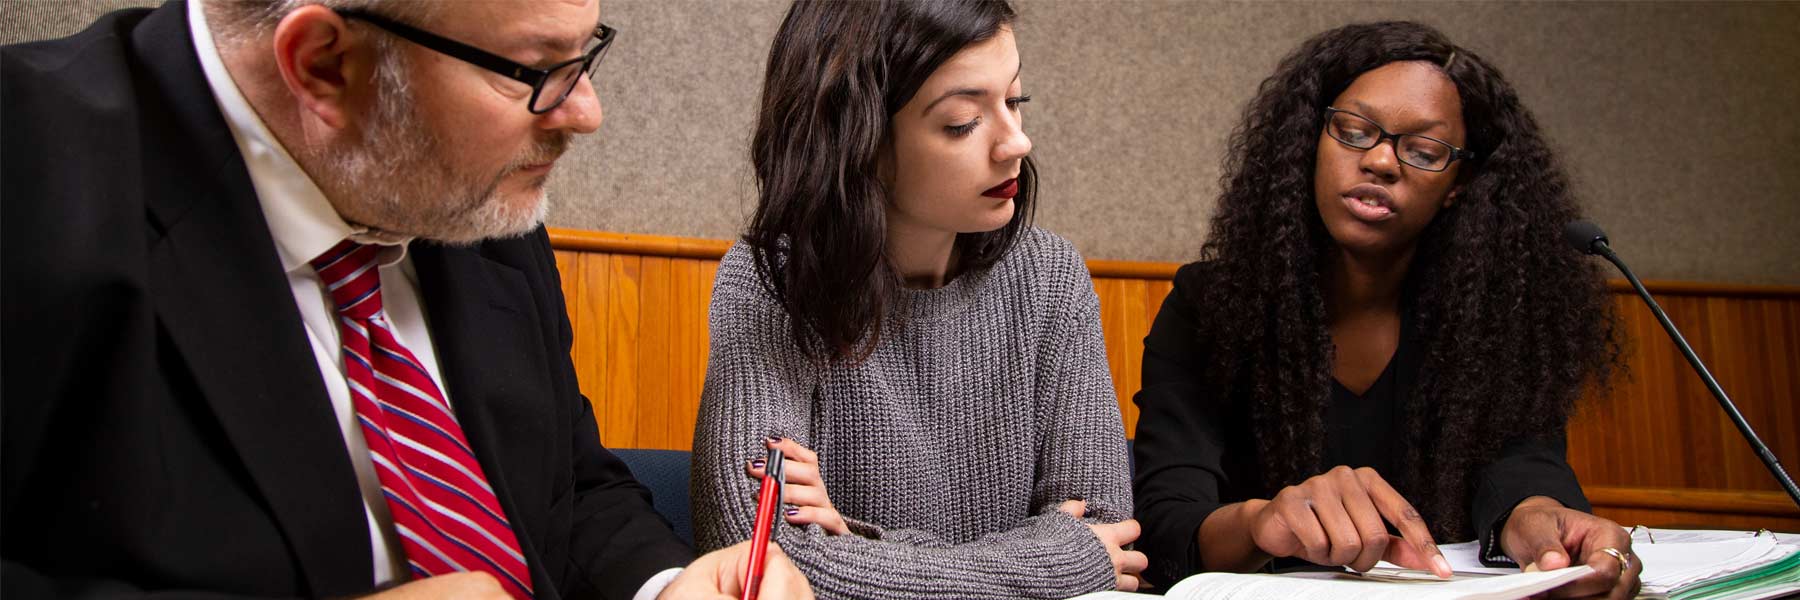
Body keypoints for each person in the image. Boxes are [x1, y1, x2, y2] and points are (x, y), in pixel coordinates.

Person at [0, 1, 810, 598]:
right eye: (529, 71)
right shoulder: (30, 171)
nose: (585, 112)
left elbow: (574, 492)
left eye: (583, 56)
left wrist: (665, 587)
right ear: (323, 61)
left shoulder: (471, 193)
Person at [1131, 21, 1641, 599]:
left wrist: (1538, 516)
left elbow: (1523, 461)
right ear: (1309, 143)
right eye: (1353, 131)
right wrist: (1262, 523)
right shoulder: (1211, 307)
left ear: (1458, 184)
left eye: (1424, 150)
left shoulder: (1497, 318)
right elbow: (1168, 517)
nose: (1381, 161)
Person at [690, 0, 1146, 598]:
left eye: (1014, 102)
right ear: (860, 141)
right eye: (962, 122)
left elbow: (1107, 532)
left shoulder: (1050, 276)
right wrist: (1054, 562)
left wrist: (855, 546)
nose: (1017, 143)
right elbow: (757, 562)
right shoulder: (770, 283)